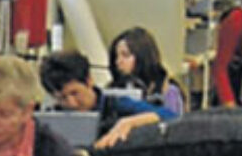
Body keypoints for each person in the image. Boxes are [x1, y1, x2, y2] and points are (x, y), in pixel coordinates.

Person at [39, 50, 177, 150]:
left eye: (75, 93)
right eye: (62, 98)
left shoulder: (118, 105)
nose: (71, 103)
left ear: (89, 81)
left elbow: (172, 117)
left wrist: (130, 122)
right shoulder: (50, 120)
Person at [108, 26, 187, 116]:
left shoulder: (169, 92)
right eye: (116, 56)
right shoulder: (113, 91)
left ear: (142, 56)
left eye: (125, 55)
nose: (118, 61)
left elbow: (173, 120)